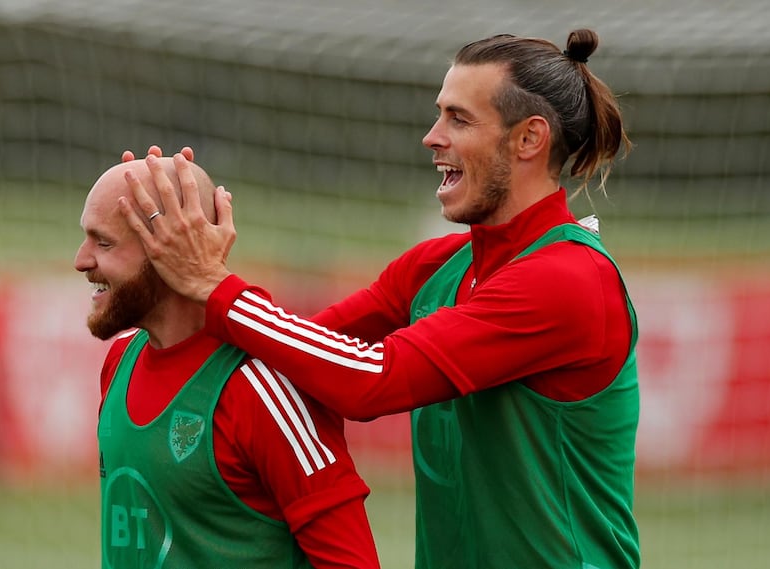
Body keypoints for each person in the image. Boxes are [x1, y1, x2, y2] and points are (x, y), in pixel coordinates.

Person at [122, 29, 640, 569]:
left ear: (528, 139)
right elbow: (302, 350)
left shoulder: (569, 280)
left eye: (459, 119)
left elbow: (371, 380)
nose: (432, 136)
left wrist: (213, 285)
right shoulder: (438, 267)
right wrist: (173, 302)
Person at [74, 158, 380, 568]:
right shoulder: (118, 363)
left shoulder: (260, 387)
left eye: (103, 243)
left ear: (168, 249)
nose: (81, 260)